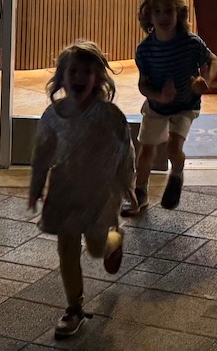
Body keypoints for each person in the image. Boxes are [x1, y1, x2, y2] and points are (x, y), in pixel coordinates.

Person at [28, 40, 133, 340]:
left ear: (98, 78)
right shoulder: (53, 115)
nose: (78, 77)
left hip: (99, 195)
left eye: (86, 71)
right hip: (64, 193)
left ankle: (114, 239)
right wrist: (36, 186)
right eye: (73, 71)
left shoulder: (109, 115)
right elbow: (42, 152)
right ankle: (74, 307)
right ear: (61, 77)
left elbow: (125, 150)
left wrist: (128, 185)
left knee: (97, 248)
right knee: (67, 249)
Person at [124, 0, 217, 216]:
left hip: (186, 105)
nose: (163, 17)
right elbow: (143, 84)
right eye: (158, 12)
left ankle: (176, 174)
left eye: (169, 11)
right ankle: (140, 193)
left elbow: (212, 60)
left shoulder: (191, 42)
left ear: (179, 14)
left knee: (174, 147)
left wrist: (205, 80)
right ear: (149, 17)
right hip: (156, 106)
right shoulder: (144, 50)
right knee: (147, 150)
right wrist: (159, 96)